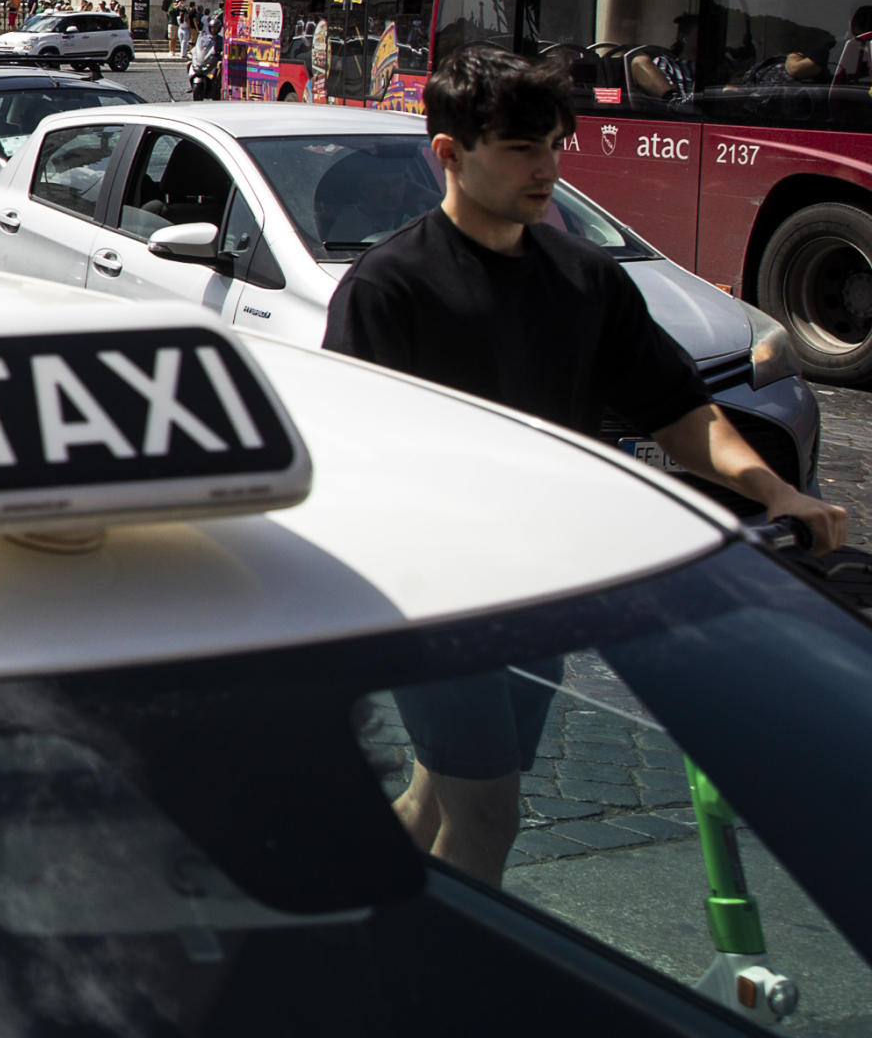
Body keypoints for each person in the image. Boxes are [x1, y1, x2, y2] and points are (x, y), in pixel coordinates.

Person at [324, 48, 848, 886]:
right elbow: (353, 460)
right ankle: (442, 966)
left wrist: (776, 490)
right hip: (438, 605)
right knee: (486, 814)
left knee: (438, 794)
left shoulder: (586, 279)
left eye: (555, 146)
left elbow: (680, 413)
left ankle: (347, 912)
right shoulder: (389, 288)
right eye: (520, 149)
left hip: (542, 596)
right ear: (449, 153)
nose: (548, 169)